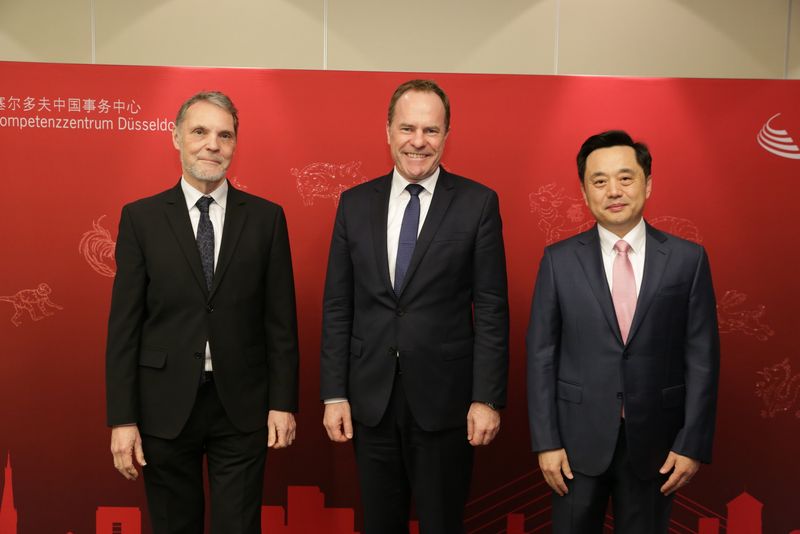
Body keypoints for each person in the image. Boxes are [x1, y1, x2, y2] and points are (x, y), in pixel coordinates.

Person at [320, 79, 509, 533]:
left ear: (446, 135)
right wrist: (334, 392)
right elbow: (337, 306)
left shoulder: (477, 204)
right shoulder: (353, 204)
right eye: (407, 128)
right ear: (387, 130)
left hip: (446, 403)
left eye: (430, 130)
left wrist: (486, 398)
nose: (418, 141)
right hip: (371, 400)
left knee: (443, 523)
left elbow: (491, 309)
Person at [105, 91, 299, 534]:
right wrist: (122, 418)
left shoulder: (267, 219)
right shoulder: (141, 219)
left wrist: (283, 404)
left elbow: (281, 323)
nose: (213, 144)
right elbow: (124, 328)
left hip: (243, 406)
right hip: (163, 406)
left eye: (224, 135)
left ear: (234, 144)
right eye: (200, 132)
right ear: (175, 137)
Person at [526, 130, 720, 533]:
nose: (613, 190)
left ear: (648, 184)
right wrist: (546, 442)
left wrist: (692, 442)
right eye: (599, 181)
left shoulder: (688, 260)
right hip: (575, 445)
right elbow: (541, 355)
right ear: (584, 191)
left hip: (657, 445)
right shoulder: (559, 261)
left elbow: (702, 358)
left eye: (626, 178)